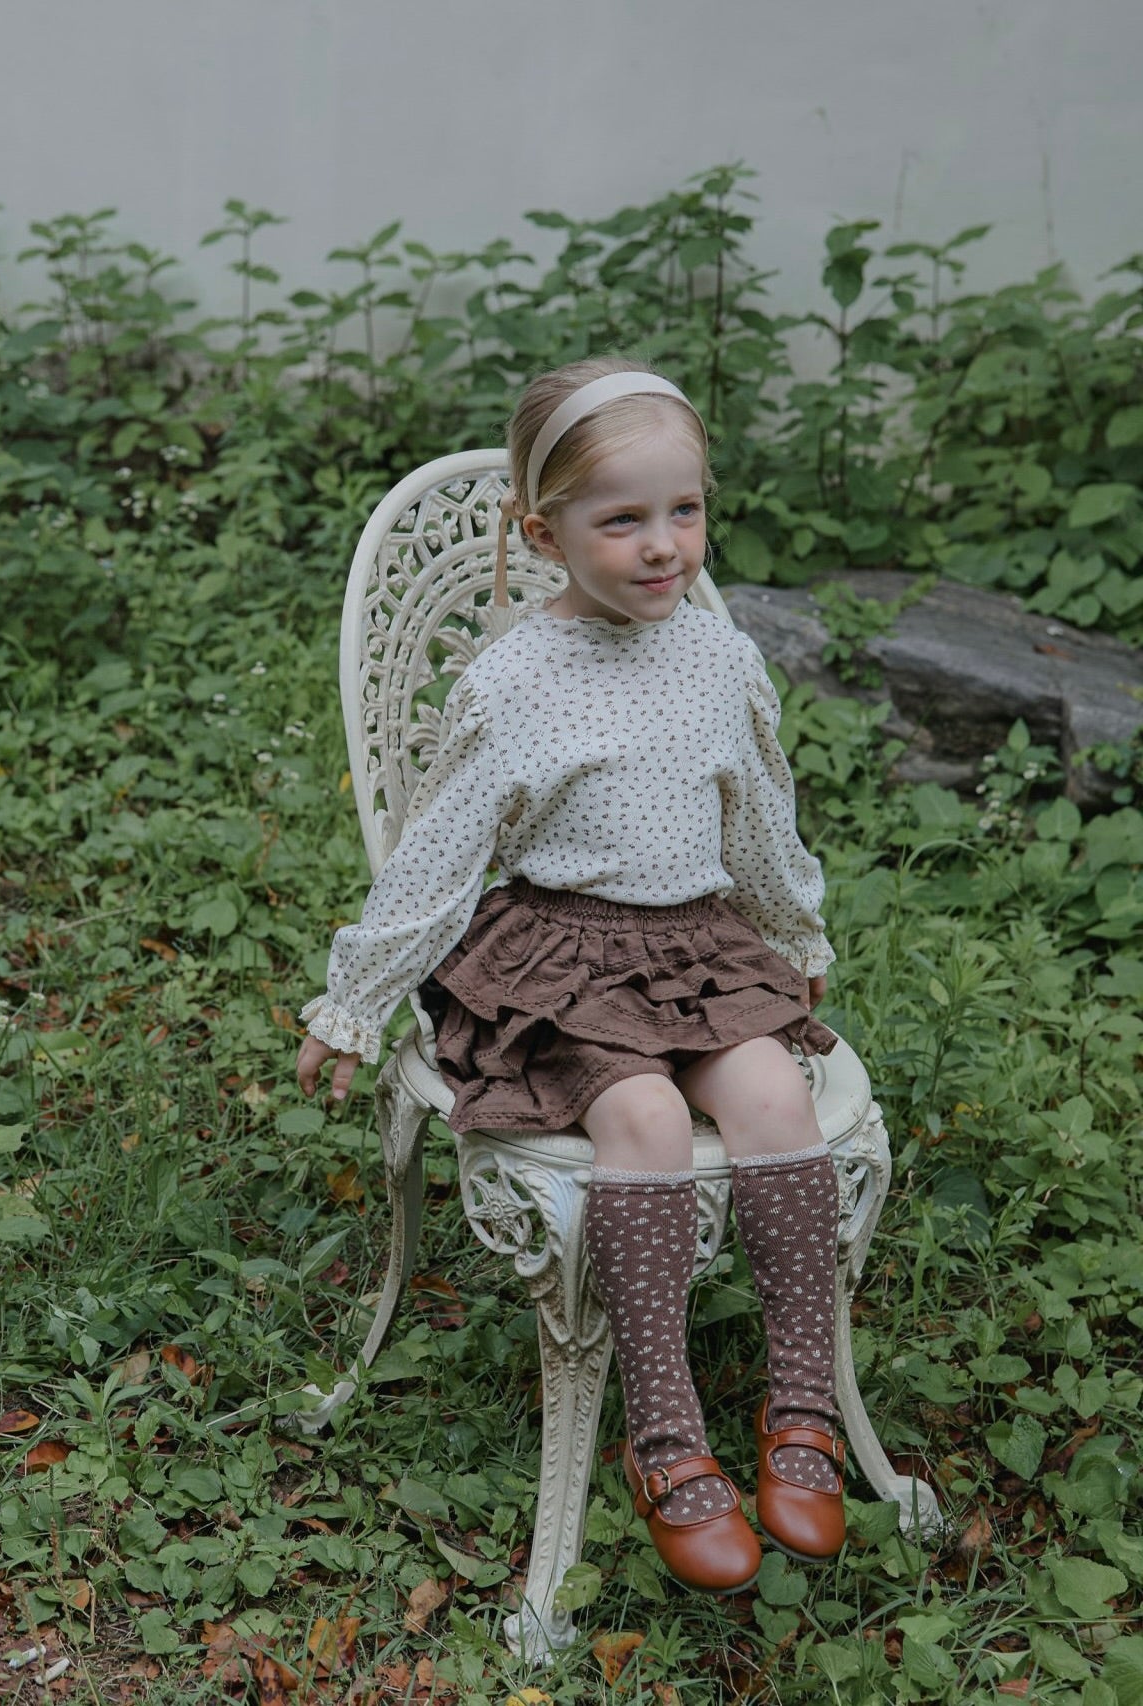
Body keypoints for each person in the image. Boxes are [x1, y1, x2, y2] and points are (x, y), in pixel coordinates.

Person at [295, 356, 847, 1595]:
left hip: (696, 943)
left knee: (773, 1093)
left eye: (683, 511)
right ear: (544, 534)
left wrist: (792, 933)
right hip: (563, 959)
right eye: (622, 520)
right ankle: (664, 1430)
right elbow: (437, 857)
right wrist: (357, 997)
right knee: (641, 1112)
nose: (662, 546)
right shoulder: (513, 681)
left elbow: (759, 814)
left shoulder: (718, 656)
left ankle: (800, 1402)